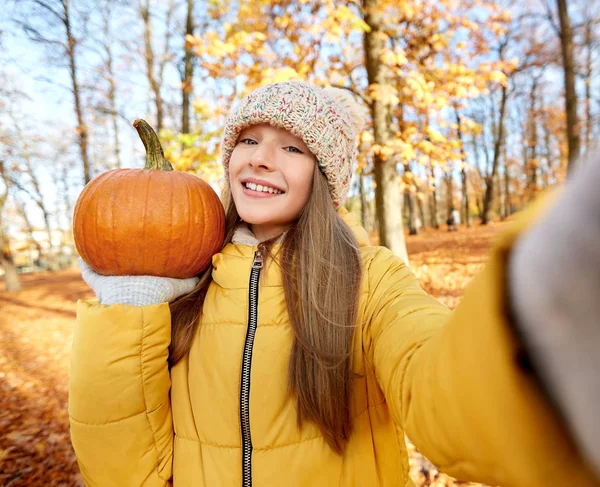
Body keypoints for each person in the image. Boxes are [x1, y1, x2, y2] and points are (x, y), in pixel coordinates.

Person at [69, 81, 600, 487]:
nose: (260, 157)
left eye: (293, 148)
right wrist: (129, 305)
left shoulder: (373, 282)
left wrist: (539, 314)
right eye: (249, 139)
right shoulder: (184, 288)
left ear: (324, 177)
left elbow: (439, 391)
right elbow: (120, 470)